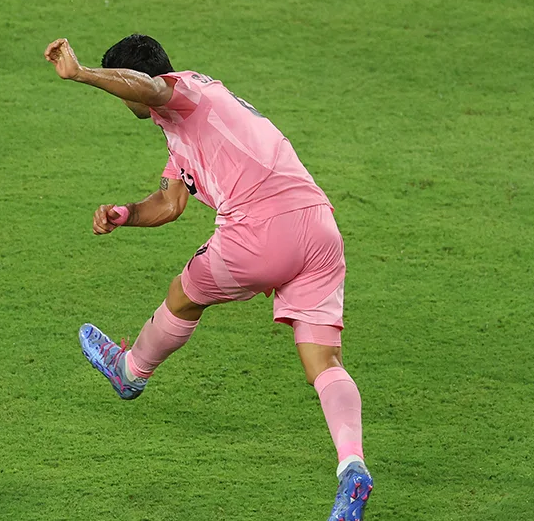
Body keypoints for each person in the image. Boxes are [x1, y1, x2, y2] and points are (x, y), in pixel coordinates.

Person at [44, 35, 373, 521]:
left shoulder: (183, 91)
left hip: (258, 233)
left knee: (182, 296)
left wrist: (82, 73)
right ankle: (352, 468)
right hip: (319, 229)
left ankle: (130, 372)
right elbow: (169, 202)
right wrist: (125, 213)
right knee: (324, 362)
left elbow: (150, 88)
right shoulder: (191, 119)